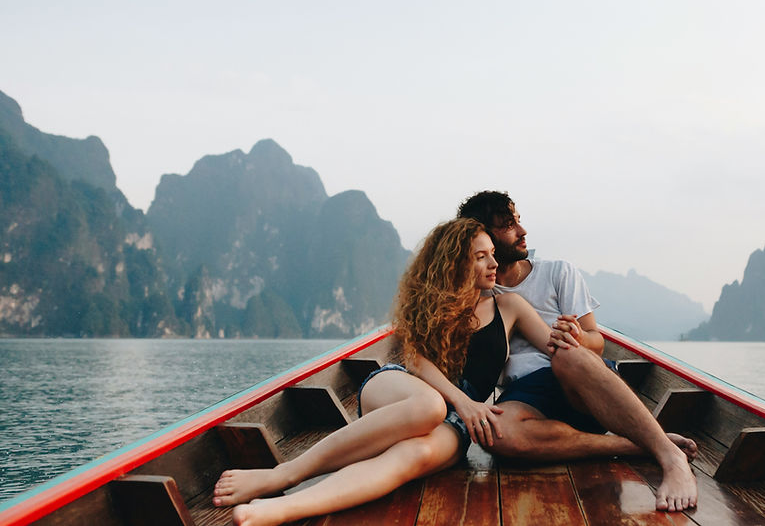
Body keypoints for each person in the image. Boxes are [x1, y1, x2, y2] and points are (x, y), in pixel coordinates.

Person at [212, 218, 573, 526]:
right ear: (456, 262)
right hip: (402, 389)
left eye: (492, 254)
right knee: (429, 406)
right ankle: (282, 475)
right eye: (481, 256)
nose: (493, 263)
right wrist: (463, 402)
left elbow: (559, 349)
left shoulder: (509, 305)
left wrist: (577, 335)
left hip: (459, 425)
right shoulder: (430, 300)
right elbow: (415, 360)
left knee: (411, 457)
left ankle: (282, 509)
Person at [457, 191, 699, 512]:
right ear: (483, 236)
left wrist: (577, 338)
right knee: (496, 434)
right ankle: (632, 445)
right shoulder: (476, 292)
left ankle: (671, 458)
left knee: (566, 354)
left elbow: (596, 340)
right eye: (508, 225)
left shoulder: (558, 272)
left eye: (519, 220)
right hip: (528, 398)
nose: (522, 231)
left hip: (582, 382)